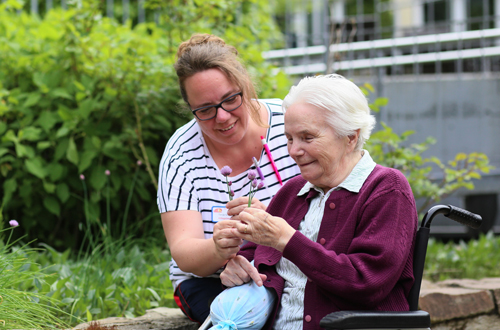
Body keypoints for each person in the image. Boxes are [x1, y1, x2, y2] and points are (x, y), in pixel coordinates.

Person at [214, 74, 418, 330]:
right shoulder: (293, 192)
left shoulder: (387, 189)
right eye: (289, 138)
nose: (293, 150)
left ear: (350, 137)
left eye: (307, 137)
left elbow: (366, 283)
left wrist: (287, 240)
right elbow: (256, 255)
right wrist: (238, 267)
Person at [156, 33, 300, 324]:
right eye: (205, 110)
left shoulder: (291, 124)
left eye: (230, 100)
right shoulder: (181, 153)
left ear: (245, 86)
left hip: (294, 267)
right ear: (190, 108)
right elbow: (184, 250)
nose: (222, 117)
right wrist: (218, 249)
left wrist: (270, 227)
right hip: (209, 280)